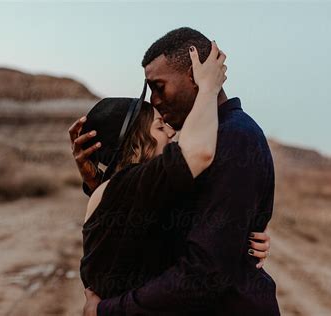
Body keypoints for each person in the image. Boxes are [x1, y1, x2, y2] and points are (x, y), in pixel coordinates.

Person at [70, 28, 278, 315]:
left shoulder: (232, 138)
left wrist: (106, 311)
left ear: (195, 75)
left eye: (158, 86)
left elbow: (205, 272)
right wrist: (100, 186)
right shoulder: (206, 138)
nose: (153, 100)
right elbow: (149, 216)